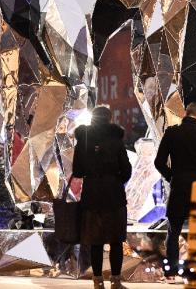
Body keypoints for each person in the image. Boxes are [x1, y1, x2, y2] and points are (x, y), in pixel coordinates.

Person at [154, 102, 196, 282]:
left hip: (179, 186)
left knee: (174, 230)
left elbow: (159, 162)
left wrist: (172, 177)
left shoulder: (172, 132)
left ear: (186, 114)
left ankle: (171, 273)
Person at [72, 106, 132, 289]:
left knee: (95, 241)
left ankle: (98, 281)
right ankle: (116, 281)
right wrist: (115, 179)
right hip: (114, 194)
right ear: (109, 119)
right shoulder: (116, 140)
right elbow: (127, 170)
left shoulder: (83, 140)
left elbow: (77, 171)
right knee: (115, 240)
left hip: (92, 195)